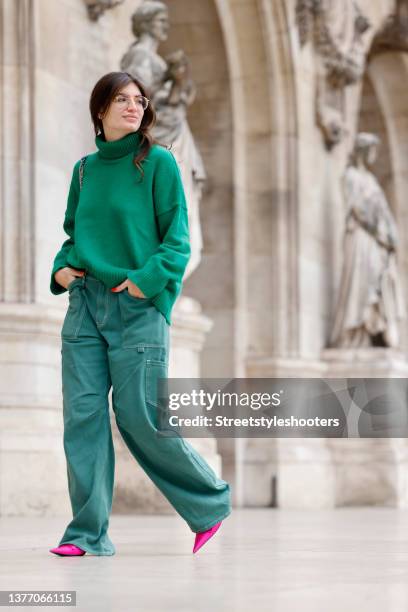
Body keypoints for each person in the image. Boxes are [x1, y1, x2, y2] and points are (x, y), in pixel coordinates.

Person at [48, 71, 231, 557]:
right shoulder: (83, 171)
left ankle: (209, 504)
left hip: (138, 307)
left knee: (140, 417)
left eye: (139, 100)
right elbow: (73, 236)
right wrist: (61, 270)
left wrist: (143, 283)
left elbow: (177, 241)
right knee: (83, 417)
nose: (134, 106)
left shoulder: (158, 163)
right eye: (122, 100)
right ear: (100, 110)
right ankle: (87, 535)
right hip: (85, 304)